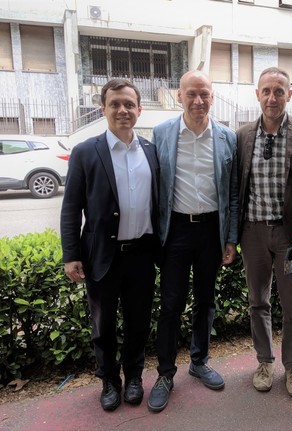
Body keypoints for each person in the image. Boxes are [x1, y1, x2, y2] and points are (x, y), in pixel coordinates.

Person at [60, 78, 160, 411]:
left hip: (142, 254)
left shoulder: (150, 151)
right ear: (103, 109)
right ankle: (108, 380)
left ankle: (133, 377)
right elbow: (71, 208)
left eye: (129, 104)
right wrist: (71, 255)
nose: (122, 110)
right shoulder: (86, 152)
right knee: (102, 325)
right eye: (115, 104)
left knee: (138, 321)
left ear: (139, 110)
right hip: (102, 255)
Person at [147, 70, 238, 413]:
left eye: (205, 94)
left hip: (211, 230)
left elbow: (233, 193)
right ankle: (165, 373)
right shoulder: (162, 133)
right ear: (179, 96)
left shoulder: (228, 137)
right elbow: (156, 188)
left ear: (212, 96)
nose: (198, 101)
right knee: (170, 305)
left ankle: (199, 361)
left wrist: (230, 238)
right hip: (177, 231)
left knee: (206, 300)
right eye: (191, 94)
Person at [237, 67, 292, 398]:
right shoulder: (242, 135)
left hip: (291, 239)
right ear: (257, 94)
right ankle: (264, 361)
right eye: (266, 91)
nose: (273, 97)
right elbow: (235, 191)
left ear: (289, 95)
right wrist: (233, 236)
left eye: (279, 91)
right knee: (258, 301)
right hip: (253, 235)